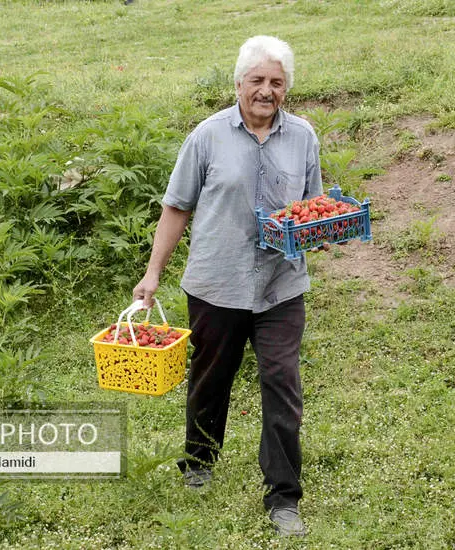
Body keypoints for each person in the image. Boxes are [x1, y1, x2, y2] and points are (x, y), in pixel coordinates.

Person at [132, 35, 322, 537]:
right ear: (238, 84)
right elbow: (176, 207)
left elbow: (312, 207)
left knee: (282, 382)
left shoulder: (303, 136)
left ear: (287, 88)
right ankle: (199, 459)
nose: (266, 90)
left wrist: (317, 229)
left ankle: (283, 497)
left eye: (276, 82)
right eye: (257, 80)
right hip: (217, 282)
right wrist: (153, 274)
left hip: (282, 284)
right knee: (212, 376)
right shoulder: (208, 136)